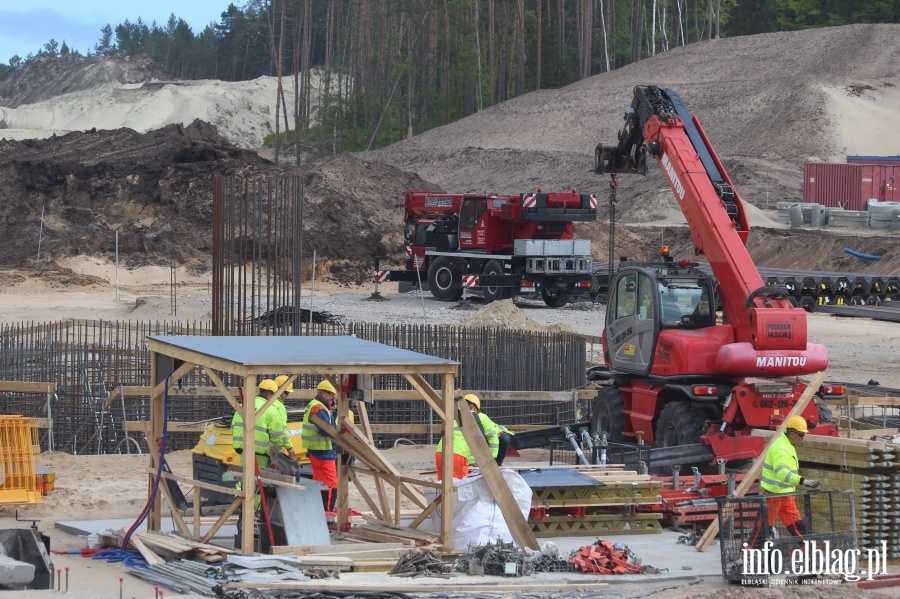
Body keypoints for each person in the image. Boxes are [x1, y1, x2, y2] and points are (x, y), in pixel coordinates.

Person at [756, 415, 821, 538]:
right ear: (792, 433)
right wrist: (802, 481)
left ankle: (808, 548)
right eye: (801, 435)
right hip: (774, 494)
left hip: (784, 493)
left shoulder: (788, 445)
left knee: (796, 523)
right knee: (763, 527)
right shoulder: (781, 448)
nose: (803, 438)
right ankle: (750, 551)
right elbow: (782, 473)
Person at [435, 393, 506, 480]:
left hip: (440, 453)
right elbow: (482, 440)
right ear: (472, 408)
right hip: (458, 456)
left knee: (443, 486)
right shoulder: (478, 416)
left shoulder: (453, 417)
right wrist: (486, 460)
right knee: (460, 488)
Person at [302, 379, 340, 511]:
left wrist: (332, 411)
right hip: (323, 452)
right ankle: (327, 514)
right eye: (331, 395)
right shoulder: (318, 408)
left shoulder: (317, 405)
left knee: (320, 483)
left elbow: (328, 425)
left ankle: (320, 512)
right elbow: (327, 429)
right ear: (323, 393)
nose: (332, 399)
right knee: (330, 484)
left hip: (317, 451)